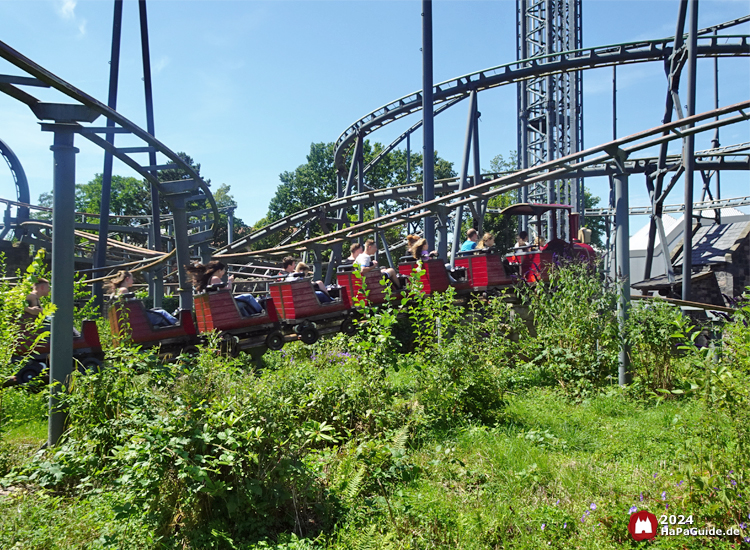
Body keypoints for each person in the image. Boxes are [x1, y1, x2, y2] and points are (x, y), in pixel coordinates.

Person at [187, 261, 263, 317]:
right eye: (223, 270)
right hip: (224, 304)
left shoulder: (209, 279)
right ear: (219, 271)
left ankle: (251, 317)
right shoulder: (215, 278)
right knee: (248, 297)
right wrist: (230, 281)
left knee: (243, 301)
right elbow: (227, 291)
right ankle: (262, 312)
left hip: (220, 303)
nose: (224, 272)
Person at [106, 270, 178, 327]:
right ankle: (177, 325)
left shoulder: (118, 290)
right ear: (127, 279)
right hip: (139, 316)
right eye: (132, 279)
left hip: (138, 315)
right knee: (162, 312)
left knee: (158, 309)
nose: (133, 281)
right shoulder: (123, 290)